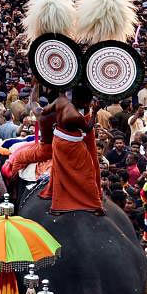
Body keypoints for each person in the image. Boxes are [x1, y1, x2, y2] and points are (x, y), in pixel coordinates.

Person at [47, 86, 104, 214]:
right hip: (70, 145)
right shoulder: (75, 115)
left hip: (58, 140)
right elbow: (88, 129)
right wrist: (94, 112)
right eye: (88, 103)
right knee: (88, 171)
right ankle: (94, 205)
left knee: (60, 170)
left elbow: (46, 111)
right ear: (84, 103)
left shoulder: (61, 101)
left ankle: (57, 205)